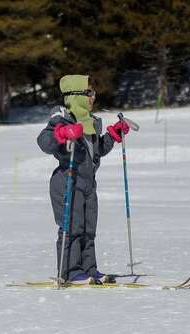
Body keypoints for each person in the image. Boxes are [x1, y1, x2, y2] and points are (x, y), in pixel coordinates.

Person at [37, 75, 130, 284]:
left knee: (89, 227)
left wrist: (113, 136)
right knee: (73, 226)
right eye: (89, 93)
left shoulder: (91, 122)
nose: (93, 97)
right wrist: (62, 133)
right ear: (76, 96)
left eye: (93, 93)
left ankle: (89, 268)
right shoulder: (63, 119)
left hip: (88, 183)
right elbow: (44, 141)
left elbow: (94, 152)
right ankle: (70, 271)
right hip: (67, 181)